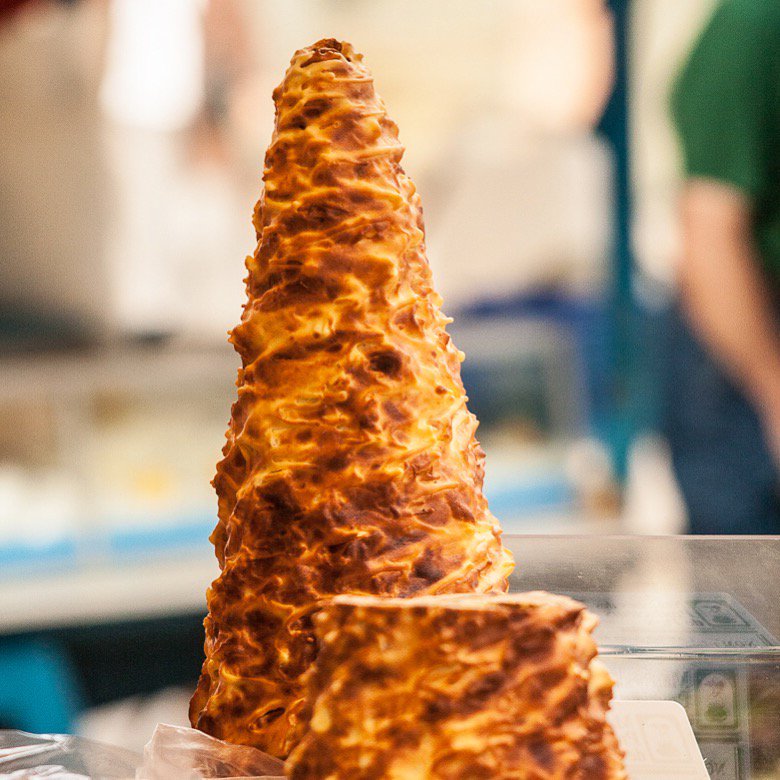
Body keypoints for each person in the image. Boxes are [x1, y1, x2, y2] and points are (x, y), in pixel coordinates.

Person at [666, 0, 780, 534]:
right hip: (747, 329)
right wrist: (772, 387)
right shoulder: (754, 24)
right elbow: (710, 226)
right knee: (751, 590)